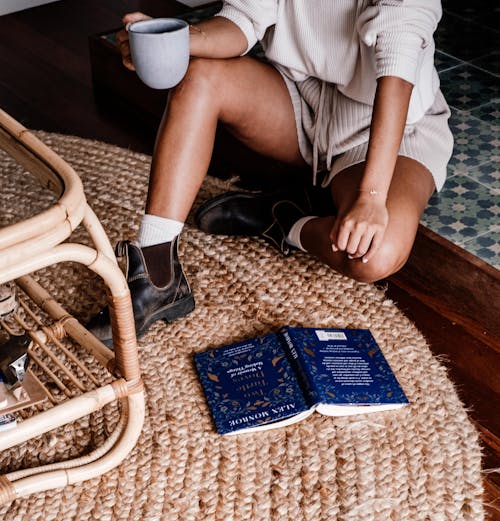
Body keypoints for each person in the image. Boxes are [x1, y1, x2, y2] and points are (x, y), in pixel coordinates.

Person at [88, 0, 453, 345]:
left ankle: (283, 220)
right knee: (198, 75)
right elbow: (242, 20)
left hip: (393, 129)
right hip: (304, 104)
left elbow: (398, 69)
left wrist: (371, 197)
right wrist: (178, 40)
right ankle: (157, 274)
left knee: (377, 255)